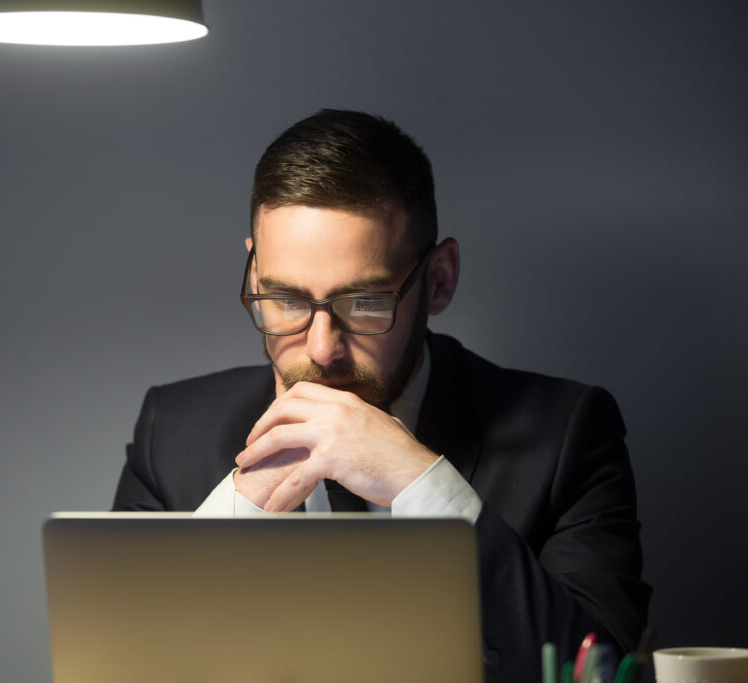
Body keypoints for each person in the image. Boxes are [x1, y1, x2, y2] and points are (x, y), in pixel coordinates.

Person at [112, 109, 650, 681]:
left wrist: (427, 487)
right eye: (287, 300)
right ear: (253, 274)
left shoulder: (568, 435)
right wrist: (234, 518)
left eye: (364, 302)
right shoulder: (169, 433)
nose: (322, 349)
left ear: (439, 280)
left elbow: (603, 670)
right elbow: (112, 663)